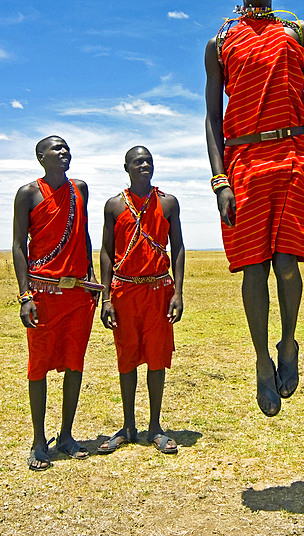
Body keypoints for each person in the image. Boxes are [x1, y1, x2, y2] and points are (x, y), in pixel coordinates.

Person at [204, 0, 304, 417]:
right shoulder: (220, 41)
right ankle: (262, 361)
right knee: (253, 269)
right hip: (243, 162)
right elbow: (211, 117)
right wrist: (219, 179)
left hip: (295, 154)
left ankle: (288, 342)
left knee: (286, 263)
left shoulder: (300, 32)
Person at [12, 136, 101, 471]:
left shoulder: (80, 189)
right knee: (39, 366)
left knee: (74, 363)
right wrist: (25, 296)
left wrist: (91, 276)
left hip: (79, 294)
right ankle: (38, 441)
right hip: (43, 294)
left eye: (66, 147)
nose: (64, 152)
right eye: (56, 148)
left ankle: (65, 435)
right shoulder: (28, 194)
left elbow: (85, 234)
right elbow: (19, 245)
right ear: (40, 156)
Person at [97, 146, 185, 454]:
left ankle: (155, 428)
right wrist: (105, 297)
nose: (144, 165)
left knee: (157, 359)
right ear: (126, 167)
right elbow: (106, 252)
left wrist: (178, 292)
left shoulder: (168, 203)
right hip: (124, 293)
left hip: (159, 291)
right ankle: (128, 426)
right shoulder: (113, 206)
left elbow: (179, 249)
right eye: (138, 161)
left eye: (148, 161)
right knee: (127, 358)